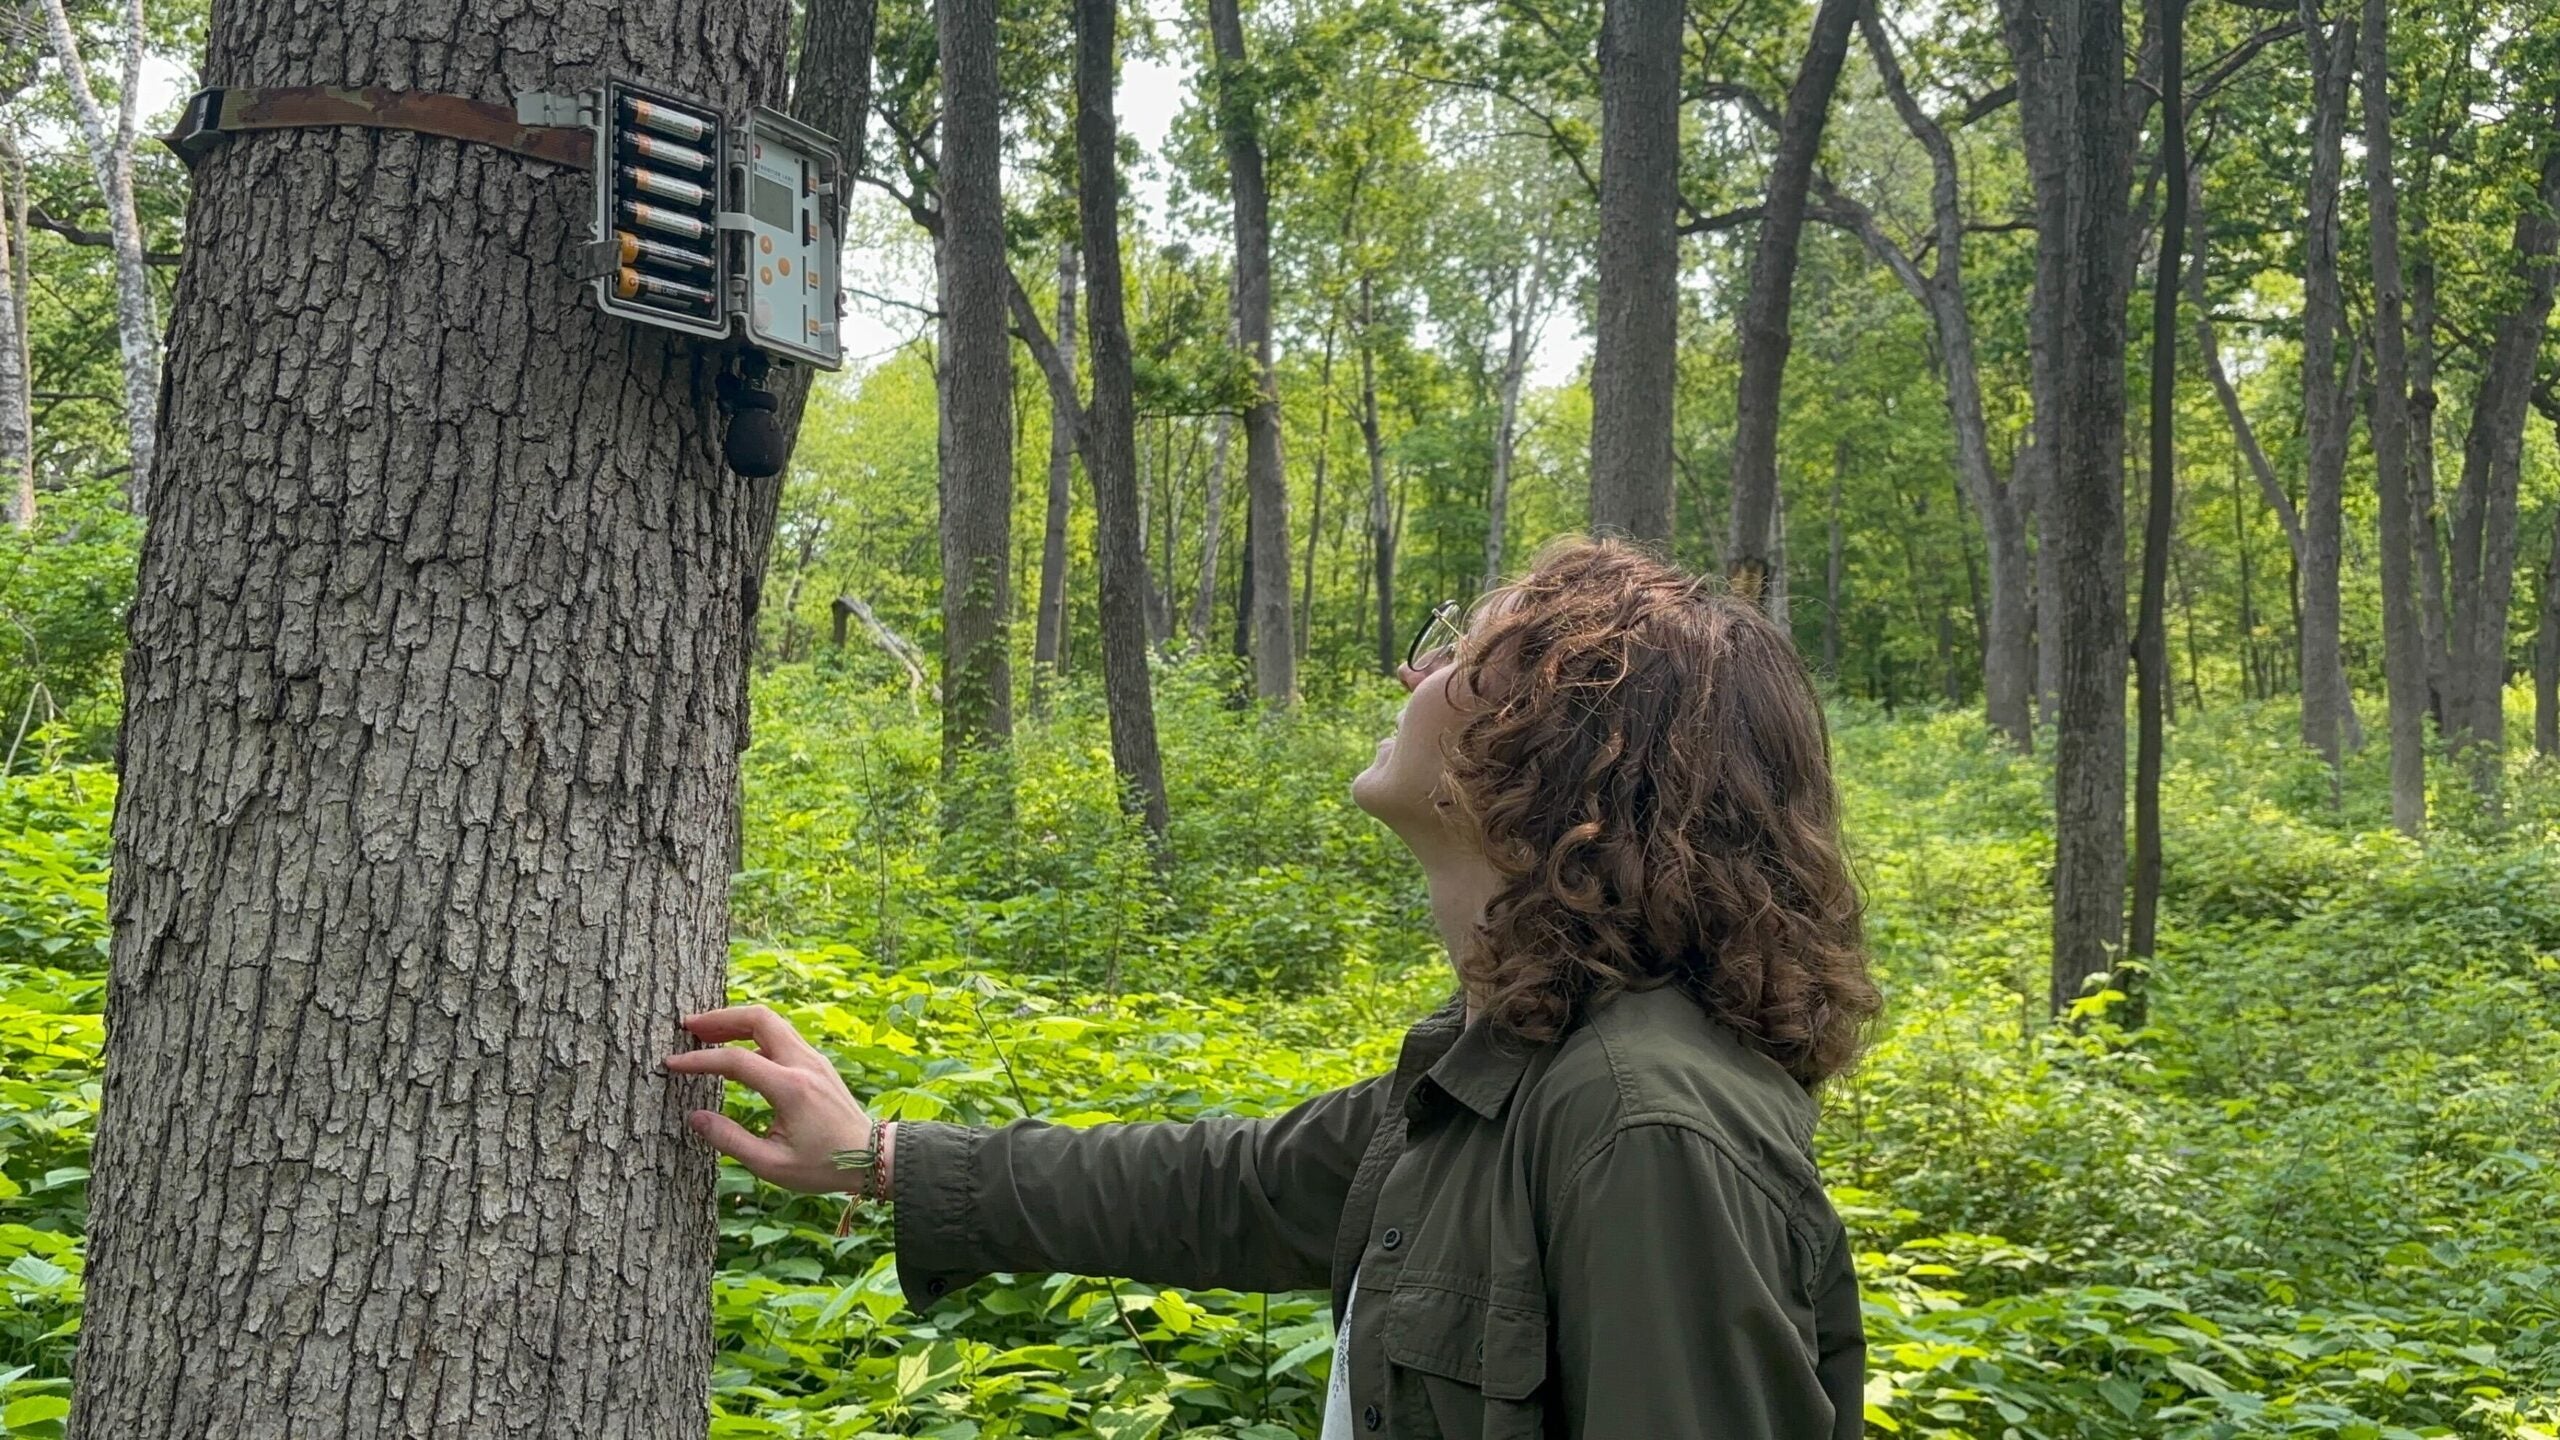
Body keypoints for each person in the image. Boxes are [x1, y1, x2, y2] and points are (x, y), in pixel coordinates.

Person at [667, 536, 1881, 1438]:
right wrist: (876, 1156)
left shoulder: (1636, 1120)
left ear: (1558, 747)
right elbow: (1235, 1189)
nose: (1415, 663)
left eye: (1468, 649)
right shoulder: (1521, 1052)